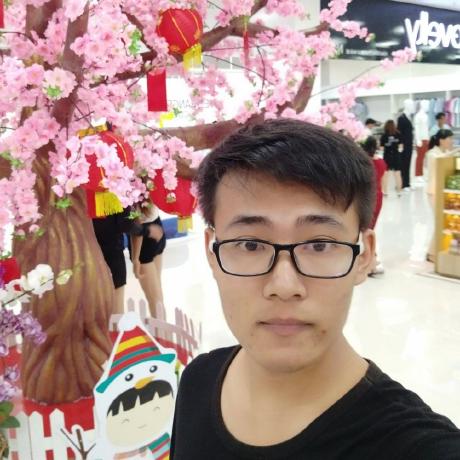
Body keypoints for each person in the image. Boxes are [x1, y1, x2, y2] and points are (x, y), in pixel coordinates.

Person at [170, 119, 460, 459]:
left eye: (319, 245)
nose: (284, 286)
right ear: (212, 253)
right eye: (250, 245)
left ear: (364, 256)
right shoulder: (198, 380)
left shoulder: (419, 447)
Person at [93, 208, 163, 314]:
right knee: (116, 314)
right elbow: (126, 222)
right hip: (112, 256)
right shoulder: (113, 197)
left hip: (86, 255)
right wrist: (147, 231)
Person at [129, 202, 166, 318]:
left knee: (155, 301)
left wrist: (135, 258)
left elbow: (136, 222)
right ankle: (163, 329)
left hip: (143, 239)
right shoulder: (150, 189)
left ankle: (162, 330)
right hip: (157, 228)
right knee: (158, 297)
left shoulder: (131, 191)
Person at [425, 129, 456, 263]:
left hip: (441, 191)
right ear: (441, 140)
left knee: (443, 222)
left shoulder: (443, 152)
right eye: (450, 139)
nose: (451, 141)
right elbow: (440, 160)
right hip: (433, 192)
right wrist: (456, 151)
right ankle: (431, 253)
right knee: (440, 222)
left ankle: (434, 251)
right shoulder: (432, 153)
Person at [361, 136, 386, 275]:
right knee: (370, 228)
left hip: (365, 196)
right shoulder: (380, 162)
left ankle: (371, 261)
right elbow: (383, 181)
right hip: (378, 196)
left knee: (365, 229)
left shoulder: (363, 162)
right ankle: (372, 260)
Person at [380, 119, 403, 196]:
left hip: (387, 156)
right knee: (398, 174)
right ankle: (399, 192)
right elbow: (401, 147)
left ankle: (385, 192)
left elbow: (381, 148)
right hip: (396, 156)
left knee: (385, 175)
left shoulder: (384, 136)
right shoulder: (398, 134)